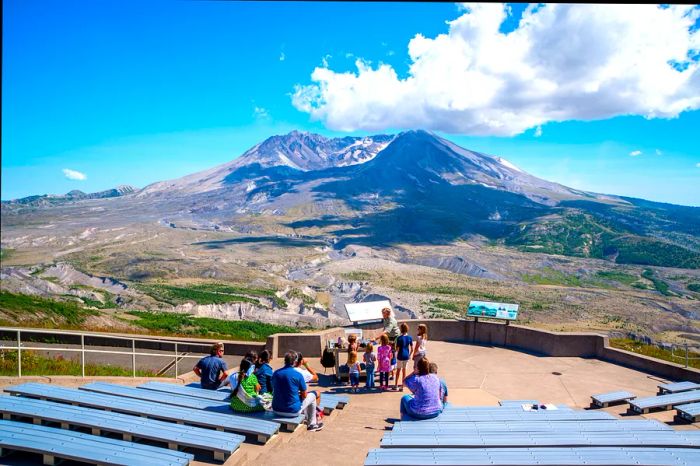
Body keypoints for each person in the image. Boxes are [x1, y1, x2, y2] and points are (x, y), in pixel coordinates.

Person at [272, 350, 323, 431]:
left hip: (276, 409)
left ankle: (310, 419)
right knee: (313, 395)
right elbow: (304, 395)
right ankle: (312, 424)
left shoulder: (276, 373)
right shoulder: (298, 375)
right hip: (292, 411)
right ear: (295, 362)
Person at [394, 323, 413, 391]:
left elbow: (397, 349)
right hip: (406, 356)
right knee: (404, 372)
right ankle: (402, 386)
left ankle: (396, 385)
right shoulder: (410, 338)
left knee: (398, 371)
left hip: (400, 356)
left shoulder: (399, 338)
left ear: (401, 329)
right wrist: (409, 355)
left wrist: (395, 355)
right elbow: (412, 349)